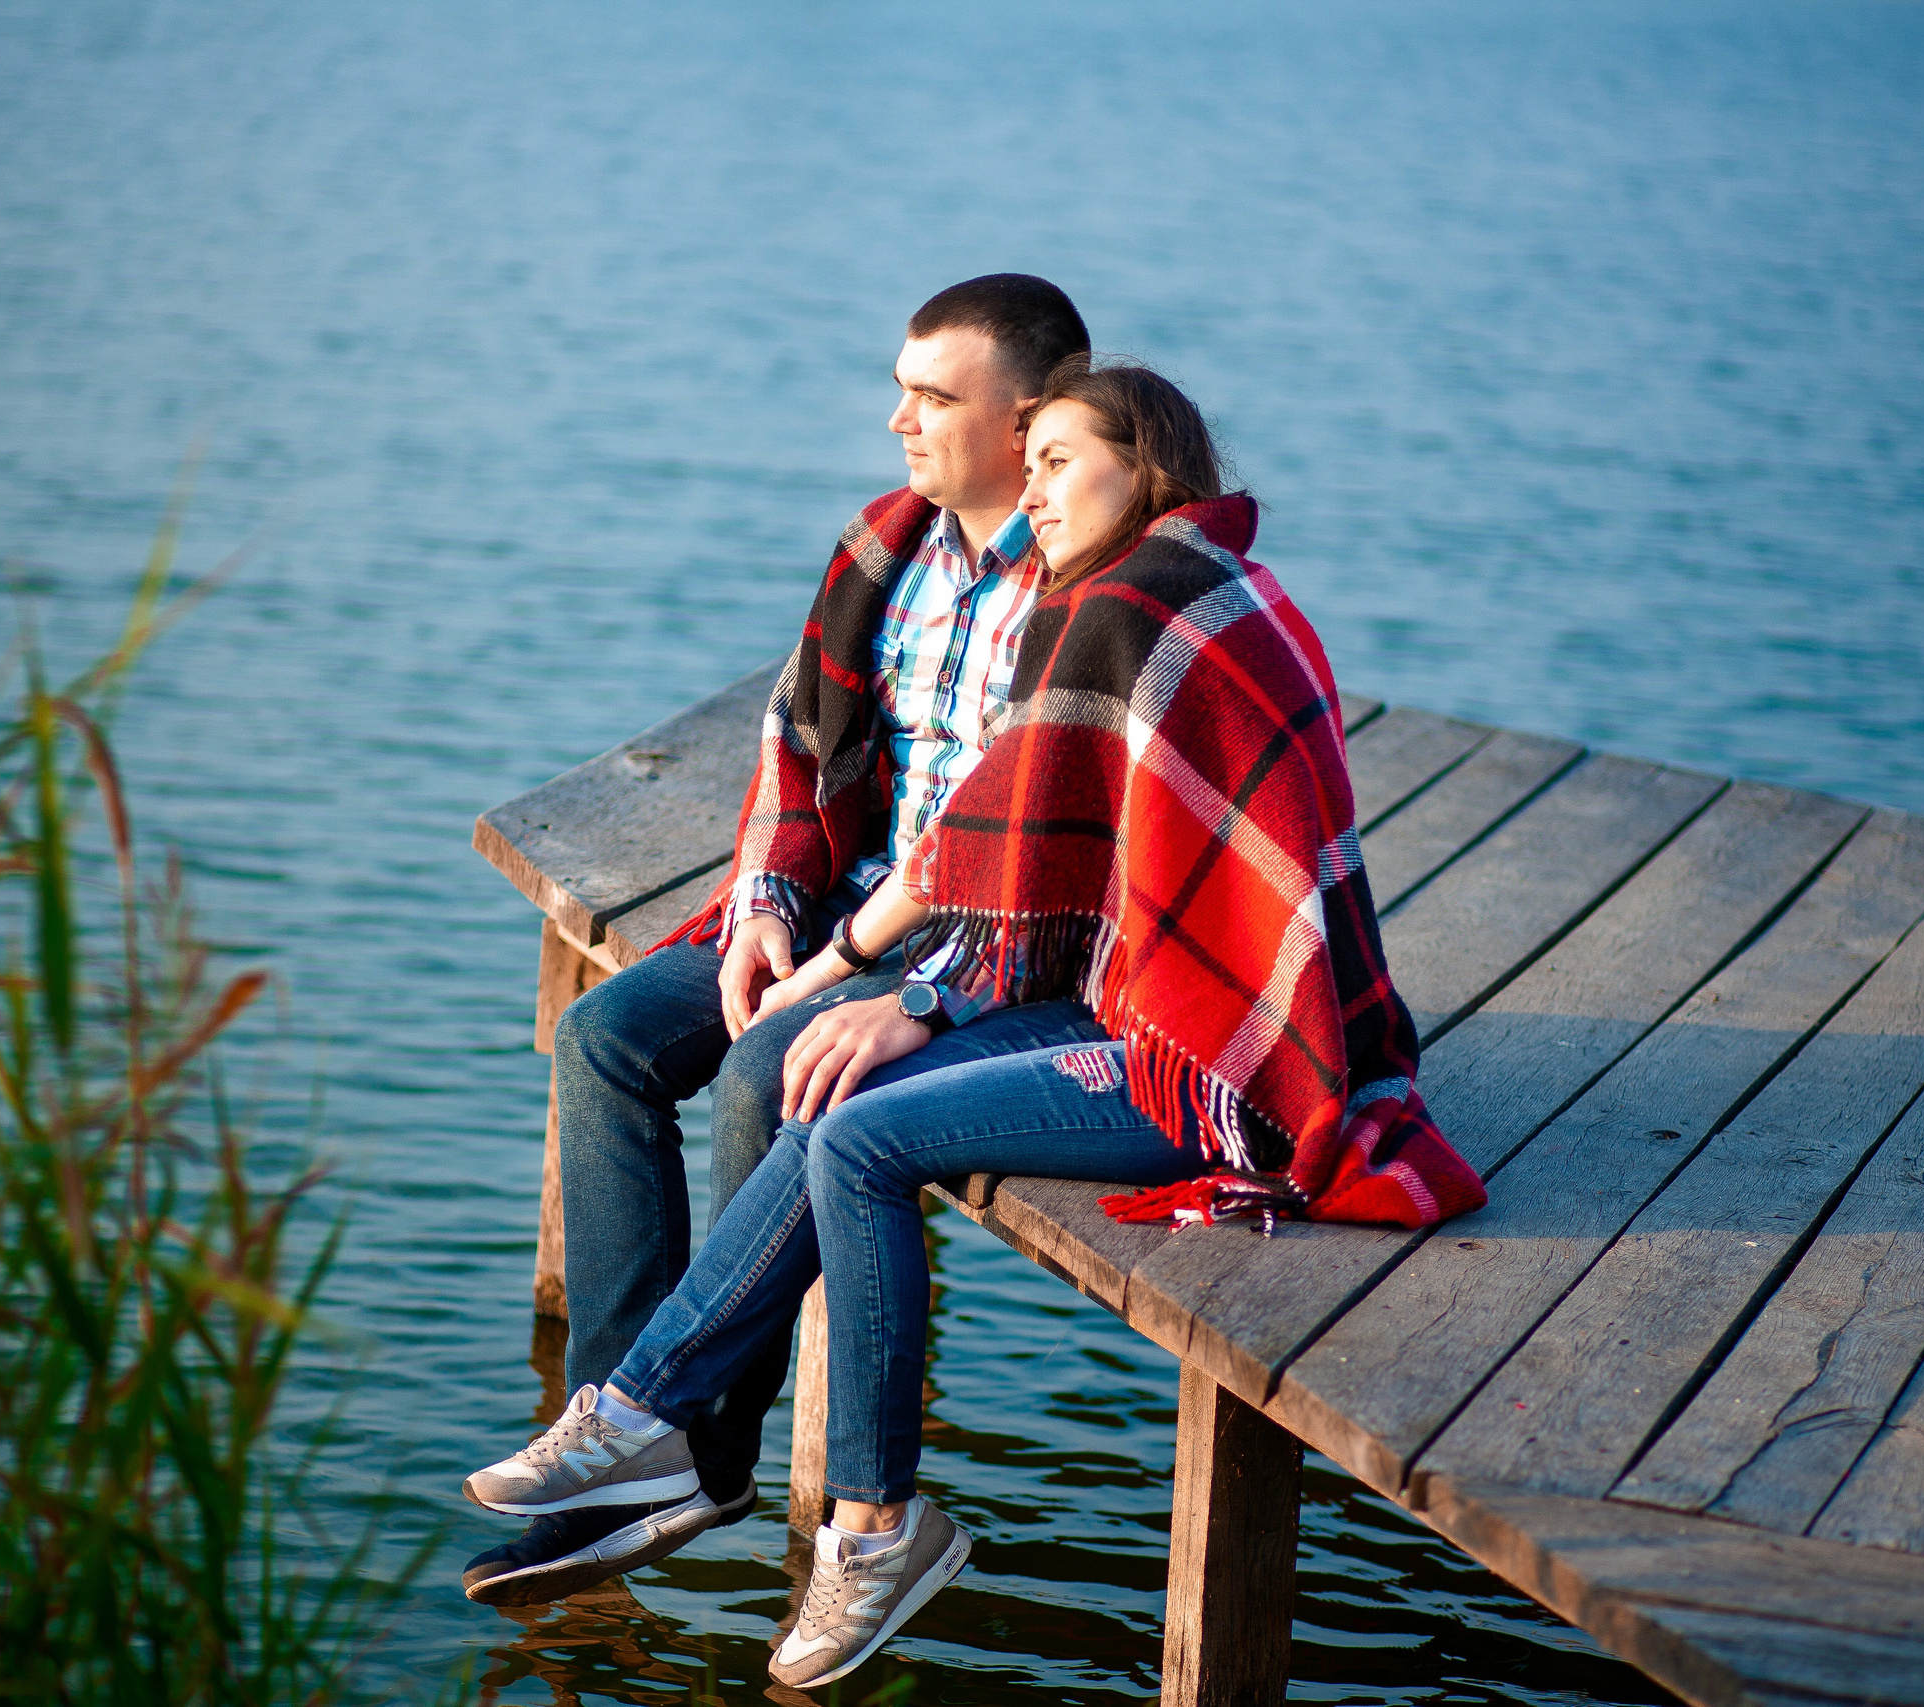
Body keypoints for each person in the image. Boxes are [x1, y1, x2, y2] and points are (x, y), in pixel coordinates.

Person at [462, 356, 1487, 1684]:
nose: (1040, 489)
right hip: (1178, 1014)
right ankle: (720, 1456)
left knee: (850, 1126)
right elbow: (990, 848)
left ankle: (711, 1450)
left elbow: (987, 858)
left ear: (1150, 464)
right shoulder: (1210, 584)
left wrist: (891, 995)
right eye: (1038, 462)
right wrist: (833, 950)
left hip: (1205, 1061)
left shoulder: (1135, 605)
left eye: (1062, 461)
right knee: (828, 1116)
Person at [460, 277, 1107, 1606]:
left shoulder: (1084, 584)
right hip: (839, 901)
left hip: (979, 952)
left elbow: (1024, 842)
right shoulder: (888, 547)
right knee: (608, 1033)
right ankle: (618, 1435)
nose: (898, 421)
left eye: (933, 396)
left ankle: (698, 1450)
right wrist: (764, 910)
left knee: (772, 1075)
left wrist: (844, 974)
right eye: (901, 387)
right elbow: (797, 743)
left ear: (1029, 414)